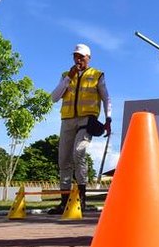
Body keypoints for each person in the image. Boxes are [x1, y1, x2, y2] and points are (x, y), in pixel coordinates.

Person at [48, 44, 112, 214]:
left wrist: (108, 119)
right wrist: (69, 77)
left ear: (88, 58)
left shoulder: (97, 75)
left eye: (81, 57)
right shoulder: (66, 76)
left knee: (78, 153)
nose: (78, 59)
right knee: (63, 160)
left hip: (86, 120)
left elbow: (106, 98)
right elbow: (54, 98)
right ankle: (64, 202)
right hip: (67, 121)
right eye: (75, 56)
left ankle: (81, 200)